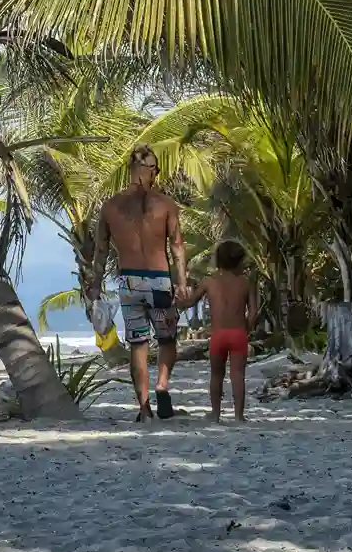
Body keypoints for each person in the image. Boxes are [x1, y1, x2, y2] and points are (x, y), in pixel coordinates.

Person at [85, 144, 188, 421]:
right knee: (167, 340)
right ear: (149, 170)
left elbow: (101, 251)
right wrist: (182, 282)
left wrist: (95, 285)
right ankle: (162, 385)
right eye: (156, 169)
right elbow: (177, 246)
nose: (157, 175)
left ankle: (144, 409)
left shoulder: (110, 207)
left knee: (138, 345)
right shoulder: (165, 205)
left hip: (129, 283)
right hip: (159, 281)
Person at [176, 240, 259, 422]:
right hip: (238, 334)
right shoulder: (246, 283)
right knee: (238, 375)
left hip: (218, 335)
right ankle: (239, 416)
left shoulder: (209, 282)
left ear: (218, 260)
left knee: (216, 375)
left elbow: (189, 302)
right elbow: (253, 312)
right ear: (239, 261)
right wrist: (247, 328)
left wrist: (178, 299)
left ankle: (215, 413)